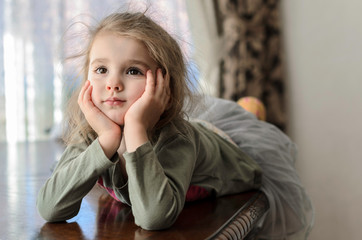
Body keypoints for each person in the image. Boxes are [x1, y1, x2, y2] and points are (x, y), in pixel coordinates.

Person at [36, 11, 262, 231]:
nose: (113, 83)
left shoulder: (177, 140)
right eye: (101, 69)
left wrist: (135, 129)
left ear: (165, 86)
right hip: (191, 133)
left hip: (224, 150)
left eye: (133, 71)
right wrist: (107, 140)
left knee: (245, 126)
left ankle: (250, 113)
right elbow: (49, 208)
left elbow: (154, 218)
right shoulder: (92, 132)